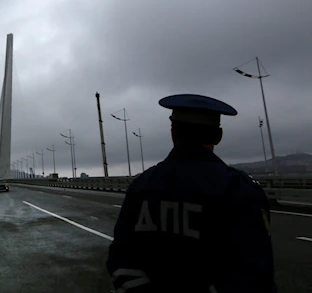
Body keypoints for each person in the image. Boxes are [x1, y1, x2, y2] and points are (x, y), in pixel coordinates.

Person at [106, 94, 277, 293]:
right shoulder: (239, 189)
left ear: (173, 132)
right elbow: (254, 274)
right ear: (218, 136)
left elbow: (121, 259)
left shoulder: (141, 186)